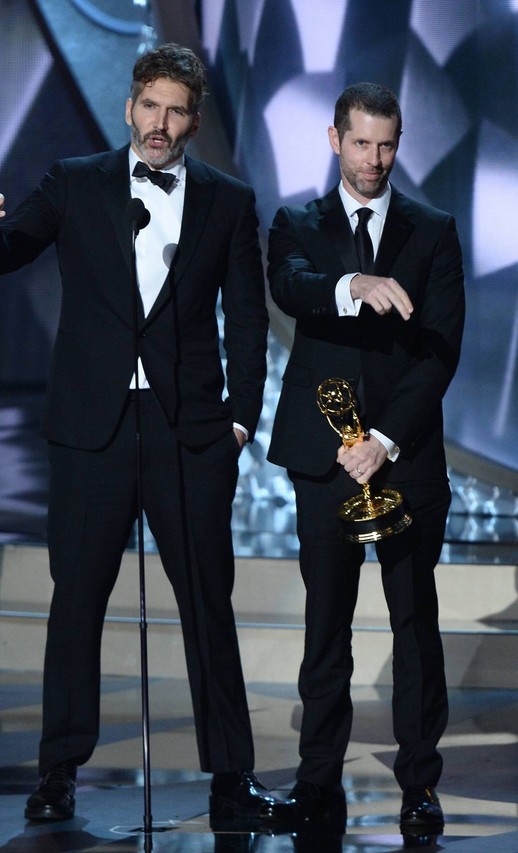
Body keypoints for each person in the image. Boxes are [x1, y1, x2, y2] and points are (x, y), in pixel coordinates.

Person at [0, 42, 292, 830]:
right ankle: (58, 771)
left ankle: (231, 779)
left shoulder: (226, 199)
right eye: (151, 106)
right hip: (92, 428)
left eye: (177, 110)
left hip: (188, 432)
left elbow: (248, 322)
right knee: (75, 600)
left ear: (195, 118)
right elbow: (7, 254)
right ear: (130, 107)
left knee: (208, 604)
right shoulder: (76, 182)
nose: (161, 123)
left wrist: (240, 420)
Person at [267, 82, 464, 833]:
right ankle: (318, 777)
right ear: (334, 139)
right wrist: (354, 284)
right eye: (360, 143)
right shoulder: (298, 223)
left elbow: (440, 350)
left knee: (414, 620)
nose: (374, 159)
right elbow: (290, 286)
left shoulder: (432, 230)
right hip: (323, 461)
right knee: (327, 623)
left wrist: (383, 440)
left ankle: (419, 782)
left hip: (403, 459)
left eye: (386, 144)